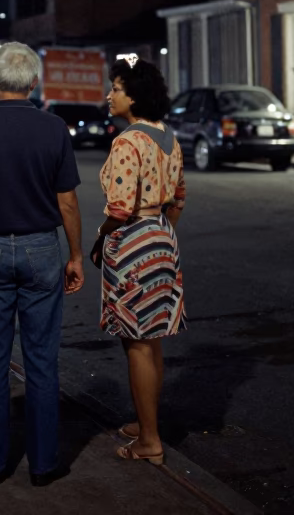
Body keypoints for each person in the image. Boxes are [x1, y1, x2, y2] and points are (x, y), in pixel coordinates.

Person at [0, 42, 84, 487]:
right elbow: (67, 202)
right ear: (34, 82)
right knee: (42, 359)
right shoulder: (53, 130)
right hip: (42, 248)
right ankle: (43, 465)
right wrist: (76, 255)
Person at [90, 57, 186, 466]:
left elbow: (119, 205)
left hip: (131, 243)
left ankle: (149, 440)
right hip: (162, 237)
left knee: (136, 345)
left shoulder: (128, 141)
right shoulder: (168, 137)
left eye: (116, 88)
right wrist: (159, 232)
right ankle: (146, 423)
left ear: (135, 95)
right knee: (152, 343)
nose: (109, 96)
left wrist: (100, 237)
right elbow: (179, 197)